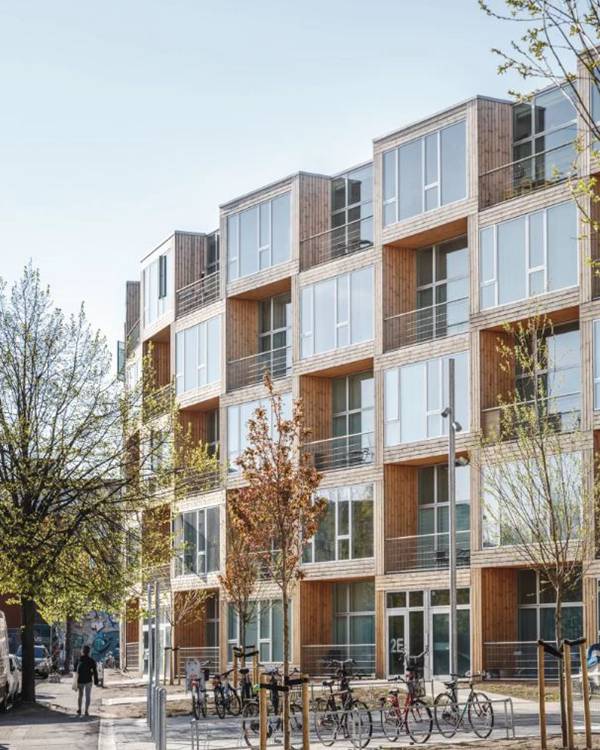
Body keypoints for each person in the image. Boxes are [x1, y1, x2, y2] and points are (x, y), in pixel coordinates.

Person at [76, 644, 99, 716]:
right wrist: (96, 681)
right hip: (88, 680)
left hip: (80, 680)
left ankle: (79, 709)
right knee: (88, 696)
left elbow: (75, 670)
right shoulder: (91, 660)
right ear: (89, 652)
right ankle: (86, 711)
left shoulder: (79, 660)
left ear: (82, 651)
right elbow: (95, 671)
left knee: (80, 695)